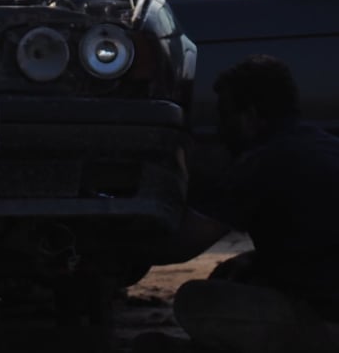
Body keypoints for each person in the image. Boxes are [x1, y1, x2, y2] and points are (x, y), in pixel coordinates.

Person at [132, 54, 339, 353]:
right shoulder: (323, 146)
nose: (219, 129)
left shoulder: (261, 161)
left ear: (249, 116)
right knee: (237, 271)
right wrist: (255, 261)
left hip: (327, 318)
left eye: (224, 116)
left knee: (195, 301)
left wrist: (106, 247)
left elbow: (178, 246)